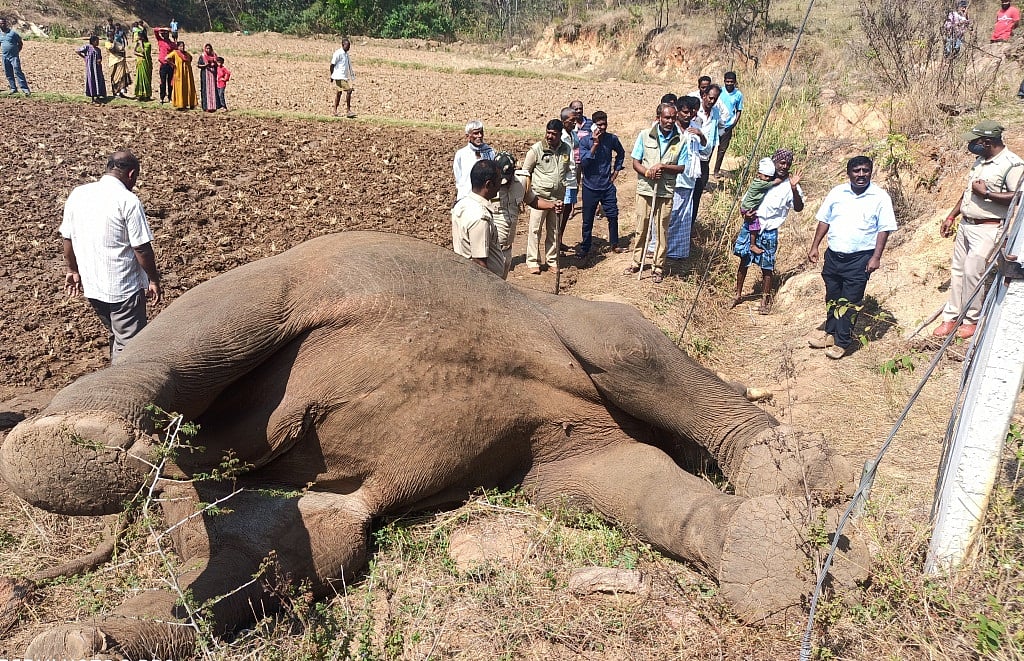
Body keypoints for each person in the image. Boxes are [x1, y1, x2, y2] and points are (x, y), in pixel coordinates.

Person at [60, 151, 162, 360]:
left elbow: (67, 238)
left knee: (115, 333)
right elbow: (141, 248)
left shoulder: (78, 194)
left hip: (93, 287)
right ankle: (120, 379)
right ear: (131, 174)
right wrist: (153, 279)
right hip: (123, 289)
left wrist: (72, 269)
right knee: (130, 346)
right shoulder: (128, 201)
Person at [934, 120, 1024, 339]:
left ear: (987, 142)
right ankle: (951, 317)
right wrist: (952, 215)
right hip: (967, 224)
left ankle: (970, 320)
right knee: (958, 271)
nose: (971, 145)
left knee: (973, 273)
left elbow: (1018, 197)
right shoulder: (980, 161)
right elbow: (968, 192)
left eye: (975, 141)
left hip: (988, 228)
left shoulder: (1012, 164)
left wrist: (987, 194)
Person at [807, 156, 897, 359]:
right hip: (833, 256)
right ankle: (830, 334)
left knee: (850, 302)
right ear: (848, 173)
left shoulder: (880, 197)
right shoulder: (837, 192)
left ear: (871, 172)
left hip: (860, 259)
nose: (861, 174)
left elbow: (884, 229)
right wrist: (815, 246)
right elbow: (824, 220)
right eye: (856, 171)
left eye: (865, 170)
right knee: (832, 297)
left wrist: (876, 257)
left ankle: (842, 342)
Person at [733, 149, 804, 314]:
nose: (784, 166)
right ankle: (738, 294)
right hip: (751, 224)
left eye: (788, 164)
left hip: (769, 231)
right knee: (744, 261)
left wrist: (794, 189)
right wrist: (745, 214)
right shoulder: (763, 178)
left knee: (767, 266)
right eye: (782, 162)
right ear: (774, 162)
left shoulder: (790, 185)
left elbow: (799, 207)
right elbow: (747, 200)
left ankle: (764, 301)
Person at [624, 102, 685, 283]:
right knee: (641, 227)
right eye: (667, 117)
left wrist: (663, 166)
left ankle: (658, 267)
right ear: (658, 118)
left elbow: (681, 167)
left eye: (673, 118)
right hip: (645, 189)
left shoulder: (681, 140)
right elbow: (636, 162)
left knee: (661, 230)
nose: (670, 121)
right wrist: (648, 172)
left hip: (665, 191)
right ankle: (637, 262)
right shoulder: (644, 135)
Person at [649, 95, 704, 261]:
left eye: (690, 112)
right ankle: (655, 246)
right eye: (684, 112)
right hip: (669, 176)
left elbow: (705, 147)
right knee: (665, 214)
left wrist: (701, 135)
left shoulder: (695, 126)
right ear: (678, 112)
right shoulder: (669, 128)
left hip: (688, 177)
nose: (688, 115)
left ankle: (676, 251)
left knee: (682, 216)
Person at [490, 152, 562, 278]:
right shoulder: (488, 185)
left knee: (501, 283)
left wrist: (552, 205)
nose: (503, 183)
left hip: (507, 248)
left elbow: (532, 200)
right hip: (492, 249)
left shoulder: (521, 182)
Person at [523, 118, 571, 275]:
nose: (550, 136)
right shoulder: (536, 150)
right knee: (535, 229)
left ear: (560, 135)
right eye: (548, 133)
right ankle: (533, 261)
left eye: (554, 134)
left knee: (555, 231)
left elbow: (566, 170)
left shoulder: (566, 149)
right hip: (539, 197)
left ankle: (552, 261)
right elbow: (525, 173)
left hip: (558, 197)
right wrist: (527, 195)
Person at [577, 110, 625, 256]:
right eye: (599, 125)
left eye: (604, 124)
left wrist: (616, 171)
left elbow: (621, 153)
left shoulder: (611, 139)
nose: (602, 127)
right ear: (593, 126)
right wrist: (595, 144)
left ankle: (614, 244)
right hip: (590, 186)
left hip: (607, 186)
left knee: (612, 215)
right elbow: (584, 163)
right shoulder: (585, 142)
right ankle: (585, 247)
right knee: (587, 220)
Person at [451, 159, 504, 277]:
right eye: (499, 181)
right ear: (488, 184)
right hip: (482, 282)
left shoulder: (462, 204)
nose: (500, 185)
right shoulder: (480, 217)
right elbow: (479, 263)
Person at [692, 84, 722, 220]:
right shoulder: (695, 112)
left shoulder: (715, 112)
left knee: (697, 193)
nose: (712, 101)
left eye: (715, 99)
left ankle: (691, 225)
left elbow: (719, 128)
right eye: (710, 98)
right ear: (704, 96)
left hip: (705, 159)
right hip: (693, 157)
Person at [453, 120, 496, 202]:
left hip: (485, 199)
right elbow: (459, 178)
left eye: (481, 132)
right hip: (465, 197)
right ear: (468, 136)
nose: (479, 136)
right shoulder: (461, 154)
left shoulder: (490, 153)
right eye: (476, 133)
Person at [558, 106, 580, 251]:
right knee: (560, 212)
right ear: (564, 121)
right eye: (572, 121)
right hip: (564, 179)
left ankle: (559, 240)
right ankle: (555, 242)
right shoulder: (560, 137)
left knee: (566, 211)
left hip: (571, 178)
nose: (574, 123)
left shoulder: (572, 134)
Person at [714, 71, 744, 178]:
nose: (729, 84)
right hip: (716, 124)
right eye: (727, 81)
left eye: (731, 82)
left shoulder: (738, 94)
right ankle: (705, 170)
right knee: (710, 147)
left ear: (735, 82)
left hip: (728, 126)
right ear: (724, 81)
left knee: (722, 149)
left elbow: (739, 110)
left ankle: (716, 170)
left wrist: (734, 123)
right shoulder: (719, 92)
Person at [1, 17, 30, 96]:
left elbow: (20, 43)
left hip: (13, 56)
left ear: (6, 24)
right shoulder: (0, 34)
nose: (2, 25)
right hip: (5, 57)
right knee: (8, 73)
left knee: (18, 71)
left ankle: (25, 89)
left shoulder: (12, 33)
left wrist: (17, 51)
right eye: (1, 24)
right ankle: (13, 88)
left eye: (3, 23)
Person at [167, 41, 197, 110]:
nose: (182, 47)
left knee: (188, 87)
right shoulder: (175, 53)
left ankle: (191, 103)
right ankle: (180, 104)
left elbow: (190, 58)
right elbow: (167, 58)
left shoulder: (187, 54)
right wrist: (173, 65)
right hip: (179, 74)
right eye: (180, 46)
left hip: (187, 74)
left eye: (183, 46)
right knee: (180, 88)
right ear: (178, 47)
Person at [330, 37, 355, 118]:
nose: (349, 47)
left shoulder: (346, 54)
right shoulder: (338, 53)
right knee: (349, 90)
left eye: (349, 46)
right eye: (347, 45)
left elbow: (349, 66)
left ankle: (335, 110)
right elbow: (332, 65)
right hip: (339, 76)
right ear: (343, 45)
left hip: (344, 77)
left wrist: (352, 76)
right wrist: (332, 75)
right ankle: (348, 111)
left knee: (339, 93)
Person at [76, 35, 106, 103]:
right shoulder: (87, 47)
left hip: (98, 68)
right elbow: (78, 51)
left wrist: (99, 60)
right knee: (91, 80)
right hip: (90, 68)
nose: (98, 42)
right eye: (97, 41)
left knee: (98, 80)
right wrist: (85, 58)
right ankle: (92, 97)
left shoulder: (98, 50)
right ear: (93, 41)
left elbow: (100, 57)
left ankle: (98, 96)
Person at [106, 28, 130, 98]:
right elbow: (112, 50)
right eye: (110, 36)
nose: (112, 37)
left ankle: (120, 92)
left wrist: (122, 54)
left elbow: (123, 51)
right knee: (114, 77)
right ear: (108, 36)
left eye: (113, 36)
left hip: (121, 61)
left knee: (121, 77)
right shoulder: (107, 43)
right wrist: (119, 52)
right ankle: (115, 92)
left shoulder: (117, 43)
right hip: (113, 61)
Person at [155, 27, 175, 104]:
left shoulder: (172, 44)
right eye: (163, 33)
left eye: (166, 33)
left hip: (170, 65)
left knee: (170, 82)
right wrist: (164, 28)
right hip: (163, 65)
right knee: (162, 82)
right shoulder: (160, 41)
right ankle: (162, 97)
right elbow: (155, 30)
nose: (164, 34)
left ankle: (170, 97)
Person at [197, 43, 218, 112]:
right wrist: (205, 65)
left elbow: (218, 64)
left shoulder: (214, 55)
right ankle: (206, 107)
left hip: (213, 75)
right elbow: (198, 65)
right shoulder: (202, 56)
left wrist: (214, 64)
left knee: (213, 90)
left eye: (209, 48)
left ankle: (214, 106)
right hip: (205, 75)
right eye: (207, 48)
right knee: (205, 90)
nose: (208, 50)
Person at [133, 28, 152, 100]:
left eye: (139, 36)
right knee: (139, 78)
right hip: (139, 63)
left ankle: (146, 95)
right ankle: (140, 94)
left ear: (143, 37)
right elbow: (134, 52)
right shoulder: (137, 44)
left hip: (145, 63)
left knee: (145, 78)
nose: (138, 38)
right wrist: (139, 54)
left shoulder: (148, 44)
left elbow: (144, 53)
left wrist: (141, 44)